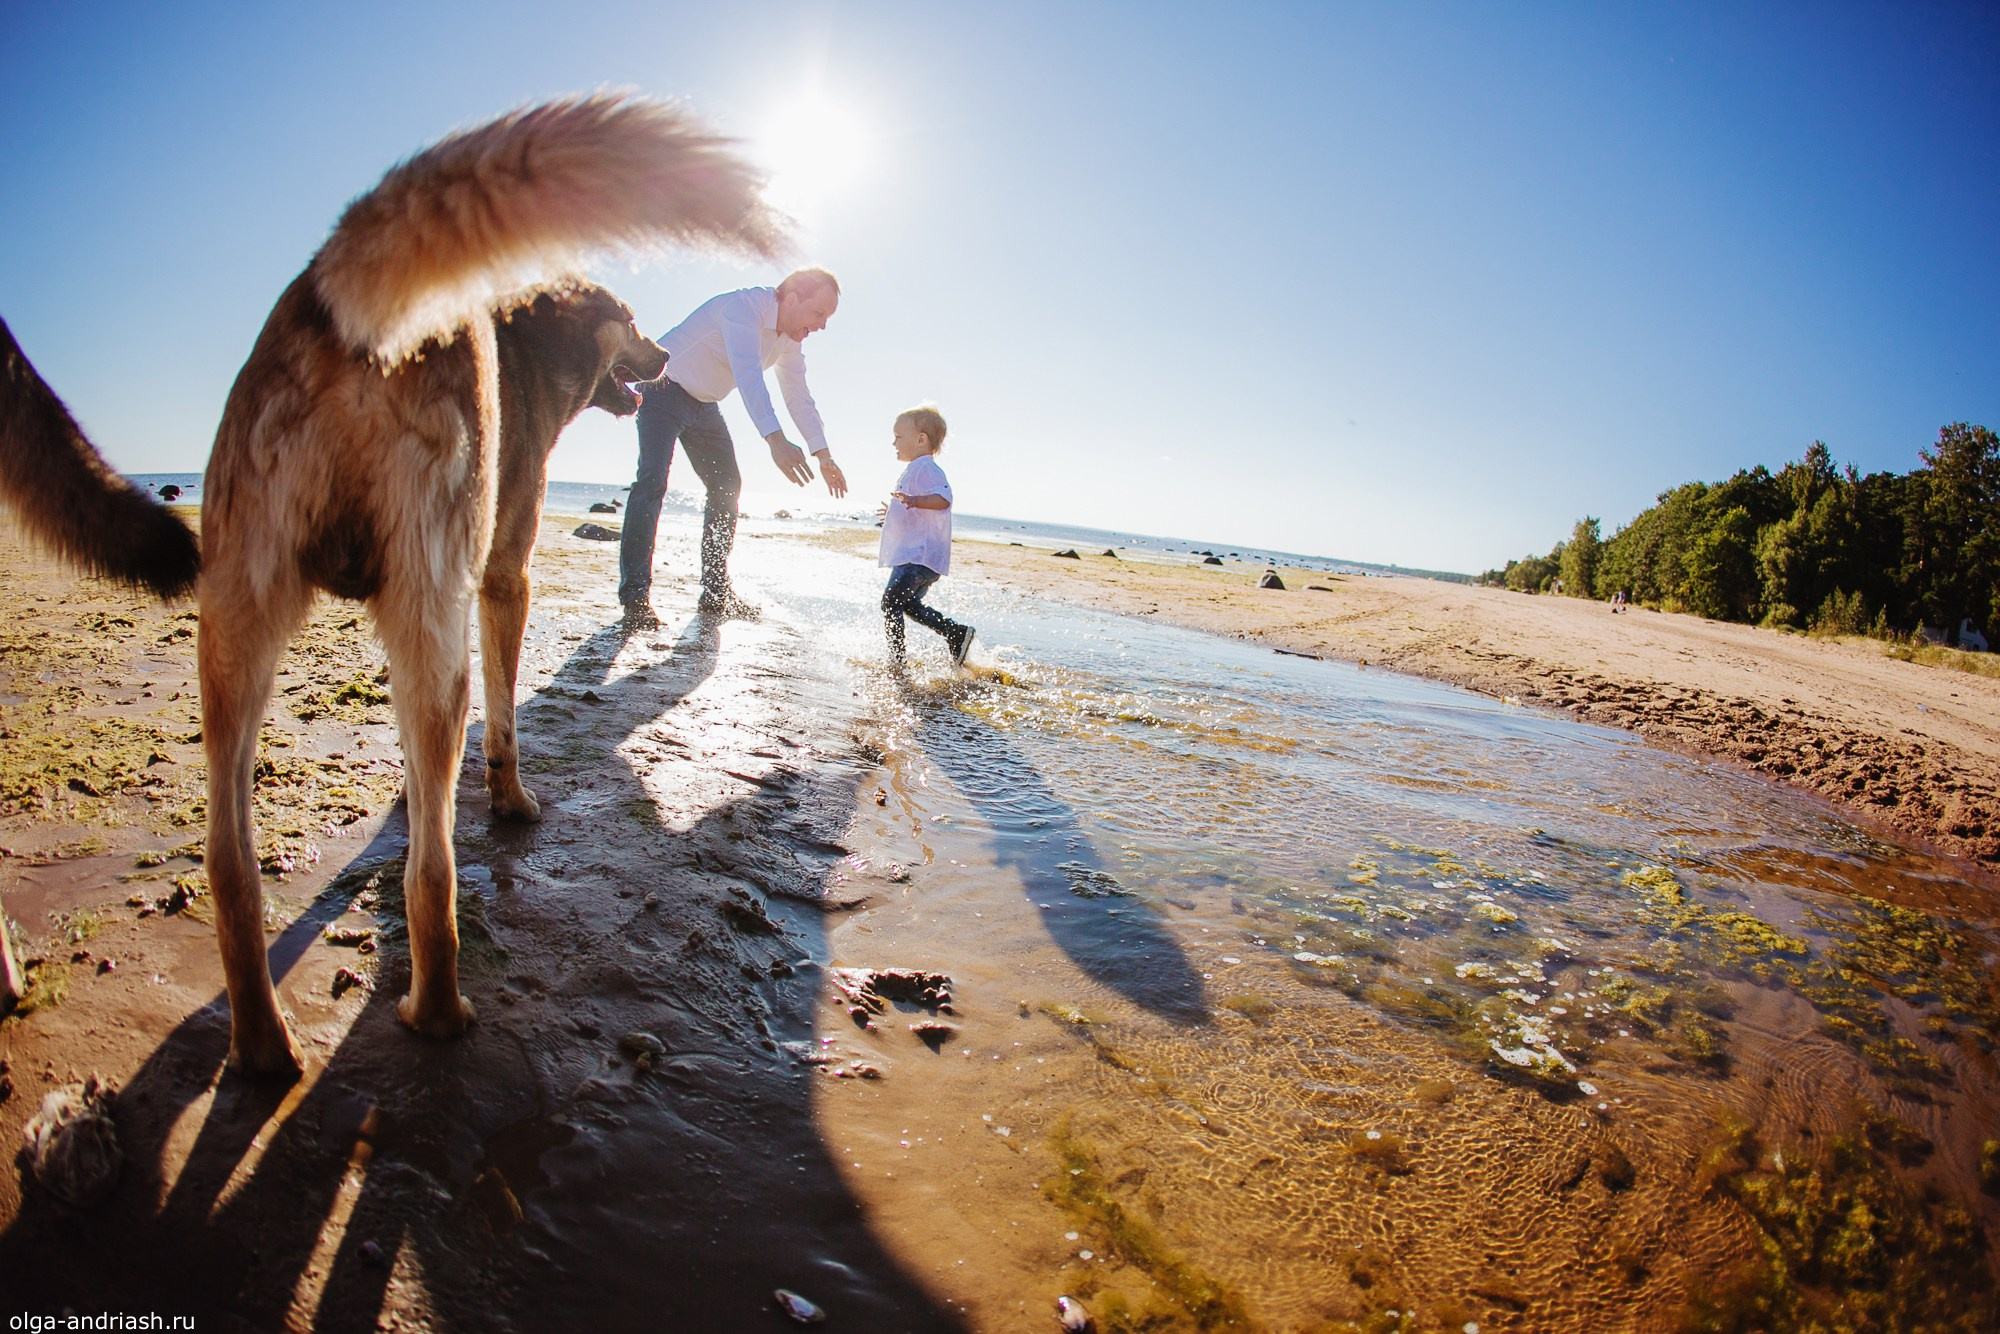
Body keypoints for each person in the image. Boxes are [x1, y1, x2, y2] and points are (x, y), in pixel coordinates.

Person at [618, 269, 848, 624]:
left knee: (727, 486)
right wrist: (775, 439)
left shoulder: (790, 339)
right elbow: (748, 373)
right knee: (652, 482)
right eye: (819, 313)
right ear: (791, 299)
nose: (822, 326)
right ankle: (635, 598)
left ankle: (715, 593)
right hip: (664, 388)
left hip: (704, 404)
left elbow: (798, 396)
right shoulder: (744, 307)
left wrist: (823, 454)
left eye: (828, 318)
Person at [878, 405, 974, 667]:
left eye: (898, 437)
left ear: (921, 439)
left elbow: (943, 499)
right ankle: (956, 633)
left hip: (917, 558)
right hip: (920, 558)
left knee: (890, 603)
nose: (894, 442)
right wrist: (895, 511)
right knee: (908, 606)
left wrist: (913, 500)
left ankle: (897, 662)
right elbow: (918, 510)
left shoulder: (926, 469)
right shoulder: (915, 469)